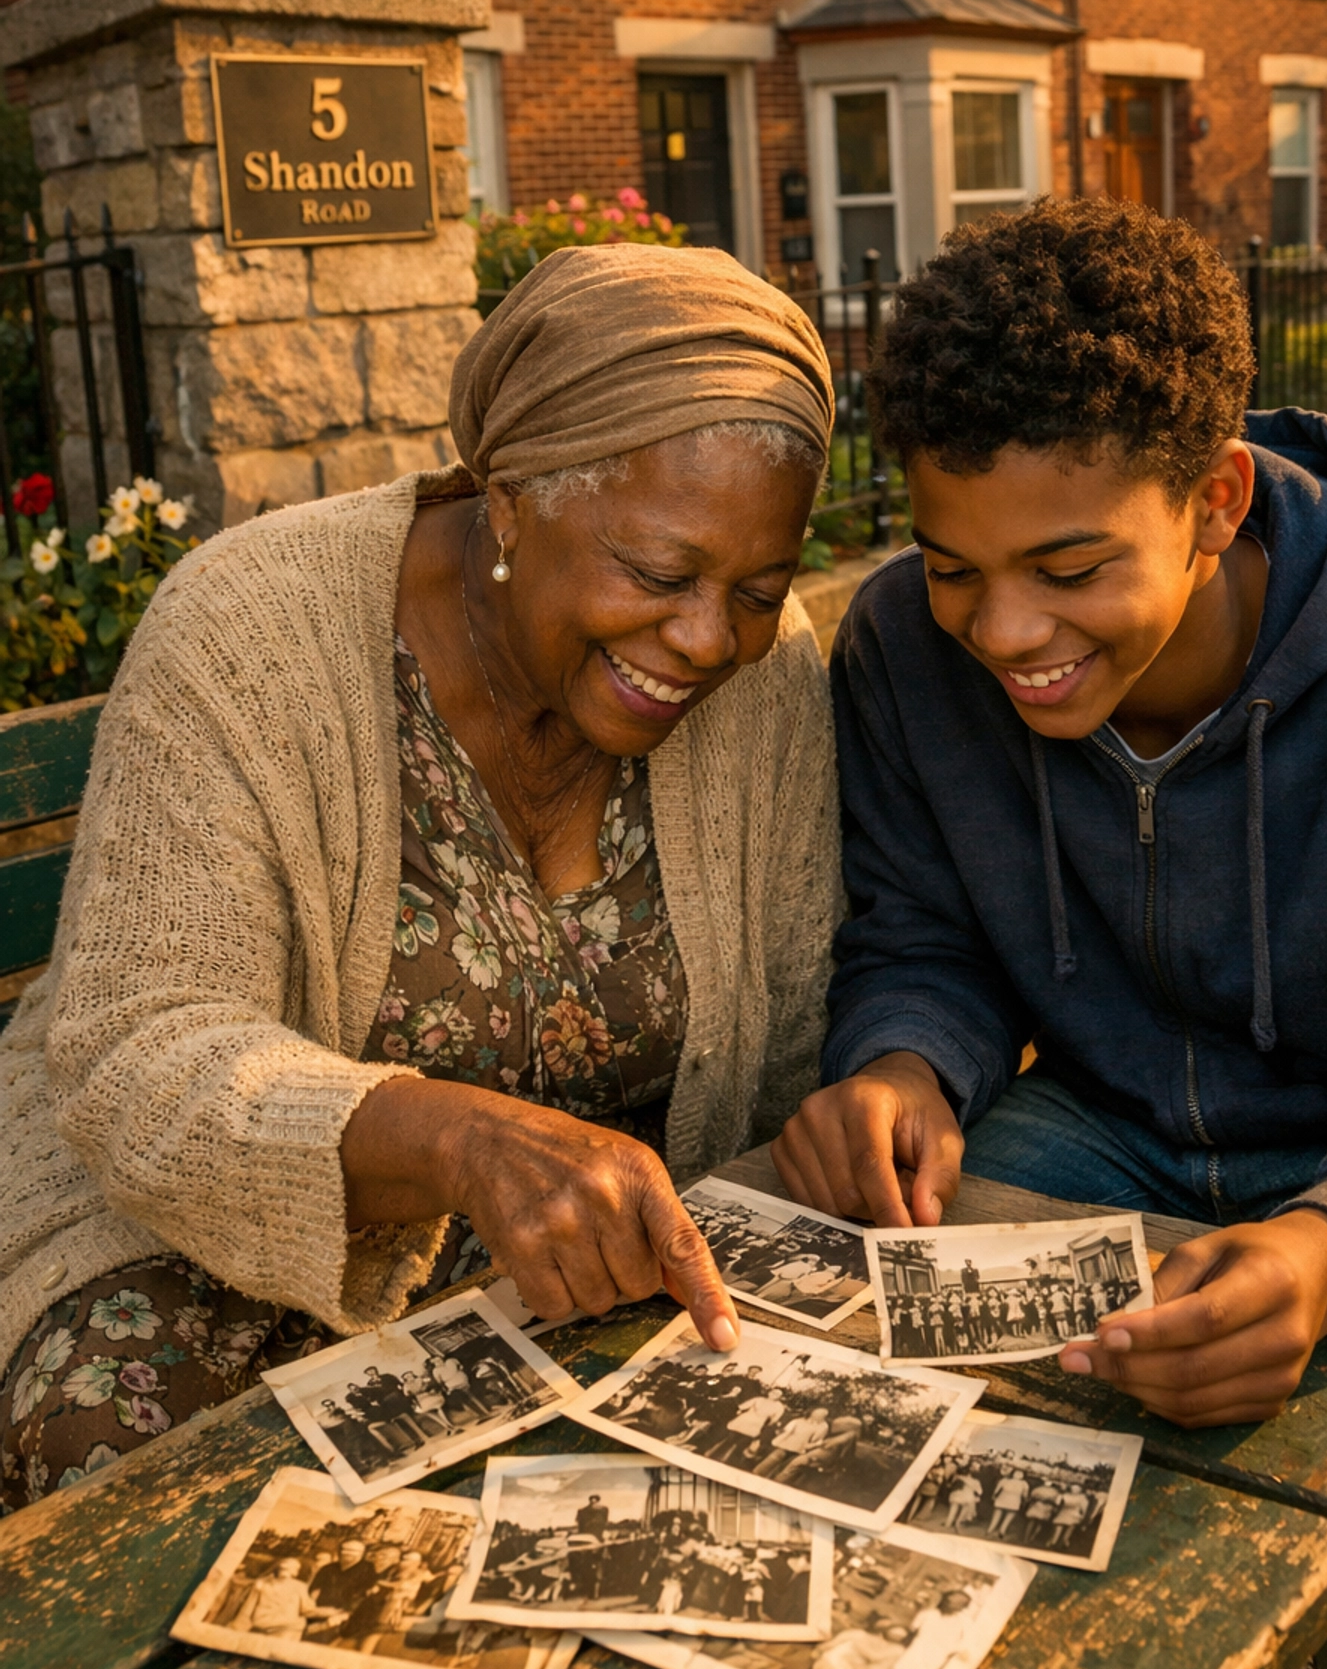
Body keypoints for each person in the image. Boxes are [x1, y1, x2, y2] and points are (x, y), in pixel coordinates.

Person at [770, 198, 1327, 1669]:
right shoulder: (898, 648)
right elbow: (917, 932)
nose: (999, 628)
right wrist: (899, 1063)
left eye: (1066, 566)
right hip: (1097, 1124)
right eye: (953, 562)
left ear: (1214, 500)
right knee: (805, 1276)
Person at [1, 245, 841, 1507]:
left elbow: (795, 1037)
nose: (708, 640)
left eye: (759, 590)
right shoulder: (249, 630)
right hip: (191, 1245)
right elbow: (136, 1046)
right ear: (507, 500)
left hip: (568, 1282)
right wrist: (449, 1139)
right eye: (660, 576)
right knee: (152, 1485)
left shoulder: (764, 682)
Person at [229, 1555, 321, 1642]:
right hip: (284, 1628)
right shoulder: (300, 1587)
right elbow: (308, 1610)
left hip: (263, 1624)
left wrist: (238, 1625)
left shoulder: (262, 1583)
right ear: (295, 1572)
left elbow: (247, 1609)